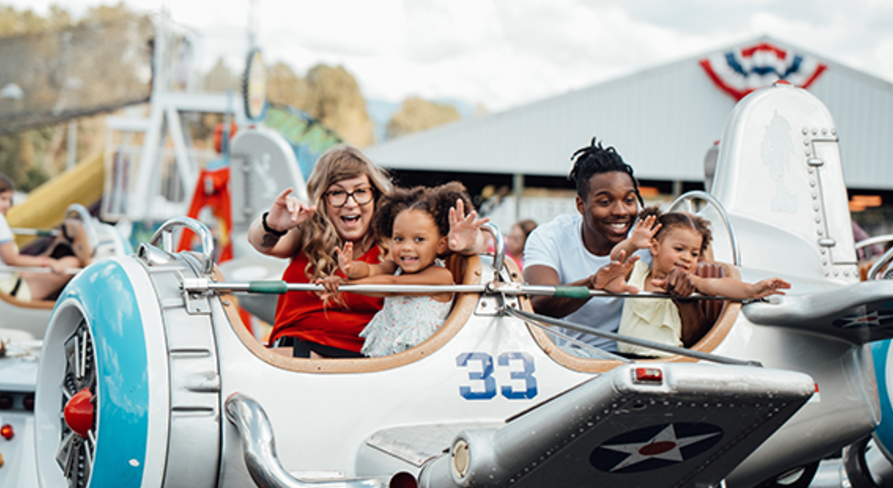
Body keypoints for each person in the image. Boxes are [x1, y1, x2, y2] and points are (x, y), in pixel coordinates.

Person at [247, 145, 486, 359]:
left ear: (375, 195)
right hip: (299, 346)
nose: (350, 203)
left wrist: (469, 243)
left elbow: (473, 247)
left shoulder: (399, 243)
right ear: (323, 200)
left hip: (366, 359)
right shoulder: (309, 233)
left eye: (360, 191)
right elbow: (261, 243)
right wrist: (272, 224)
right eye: (337, 193)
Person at [523, 137, 705, 355]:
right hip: (575, 358)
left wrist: (683, 295)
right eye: (605, 201)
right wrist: (593, 284)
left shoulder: (656, 238)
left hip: (645, 359)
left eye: (629, 200)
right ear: (581, 205)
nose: (620, 211)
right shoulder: (549, 236)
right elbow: (539, 303)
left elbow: (699, 337)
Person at [612, 208, 789, 357]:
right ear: (655, 247)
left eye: (694, 254)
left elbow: (718, 285)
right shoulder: (639, 272)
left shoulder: (691, 281)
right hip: (625, 357)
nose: (687, 258)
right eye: (679, 249)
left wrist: (752, 289)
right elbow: (616, 259)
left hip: (666, 358)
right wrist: (632, 243)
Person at [321, 183, 471, 357]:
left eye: (419, 239)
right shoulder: (394, 267)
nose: (406, 247)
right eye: (399, 239)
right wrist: (350, 269)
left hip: (421, 356)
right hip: (391, 355)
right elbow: (370, 270)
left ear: (440, 244)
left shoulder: (440, 276)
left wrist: (345, 285)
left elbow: (393, 285)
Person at [0, 173, 81, 301]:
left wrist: (50, 253)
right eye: (3, 199)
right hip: (8, 290)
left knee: (61, 263)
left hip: (6, 281)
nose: (7, 205)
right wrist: (49, 262)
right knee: (73, 264)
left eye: (9, 200)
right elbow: (11, 260)